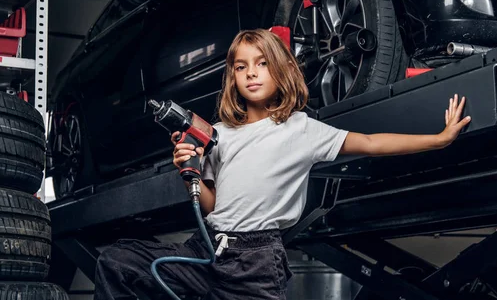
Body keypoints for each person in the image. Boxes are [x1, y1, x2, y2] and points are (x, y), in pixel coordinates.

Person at [93, 29, 471, 300]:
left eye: (261, 63)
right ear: (233, 78)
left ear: (280, 70)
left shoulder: (299, 129)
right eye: (241, 67)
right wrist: (187, 169)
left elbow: (370, 143)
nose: (251, 73)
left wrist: (438, 138)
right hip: (204, 248)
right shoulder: (219, 134)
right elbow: (210, 205)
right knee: (118, 262)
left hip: (255, 263)